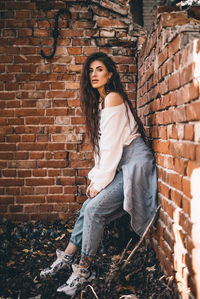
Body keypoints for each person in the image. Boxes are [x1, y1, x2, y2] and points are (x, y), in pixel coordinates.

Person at [40, 52, 157, 296]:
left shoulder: (113, 98)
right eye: (91, 70)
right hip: (121, 163)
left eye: (100, 69)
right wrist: (96, 179)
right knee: (88, 207)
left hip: (134, 164)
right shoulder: (102, 103)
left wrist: (101, 182)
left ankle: (84, 271)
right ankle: (67, 258)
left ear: (110, 74)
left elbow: (112, 146)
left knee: (94, 209)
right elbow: (101, 149)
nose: (94, 74)